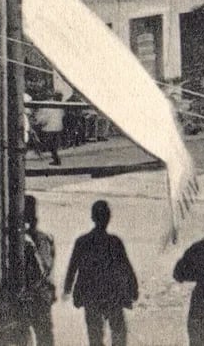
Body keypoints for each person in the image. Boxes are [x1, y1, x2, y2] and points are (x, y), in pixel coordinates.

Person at [63, 200, 139, 346]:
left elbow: (73, 267)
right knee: (118, 333)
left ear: (92, 217)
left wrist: (68, 288)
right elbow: (126, 267)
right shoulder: (115, 242)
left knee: (95, 336)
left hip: (91, 295)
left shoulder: (82, 242)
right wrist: (133, 288)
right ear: (108, 218)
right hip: (113, 295)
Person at [20, 195, 56, 346]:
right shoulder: (44, 238)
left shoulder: (27, 240)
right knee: (45, 335)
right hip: (40, 294)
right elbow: (47, 267)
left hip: (29, 294)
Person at [34, 94, 65, 165]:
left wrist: (38, 123)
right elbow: (62, 115)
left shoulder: (45, 105)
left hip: (49, 128)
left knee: (51, 145)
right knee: (53, 145)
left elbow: (42, 118)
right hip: (57, 127)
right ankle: (56, 158)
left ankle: (56, 159)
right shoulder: (59, 105)